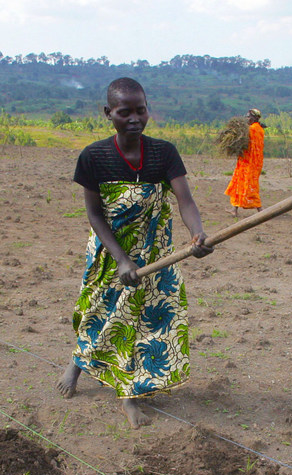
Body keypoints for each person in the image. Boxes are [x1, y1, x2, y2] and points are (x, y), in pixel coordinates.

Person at [55, 78, 214, 428]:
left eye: (140, 110)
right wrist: (122, 259)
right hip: (110, 253)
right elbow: (95, 214)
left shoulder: (163, 153)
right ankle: (77, 366)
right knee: (102, 313)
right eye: (124, 112)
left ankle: (131, 393)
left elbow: (185, 201)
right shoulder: (94, 156)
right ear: (108, 112)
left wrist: (197, 234)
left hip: (156, 254)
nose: (134, 118)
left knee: (150, 319)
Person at [225, 108, 265, 217]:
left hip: (251, 163)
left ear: (255, 118)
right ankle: (234, 209)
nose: (247, 119)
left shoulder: (254, 129)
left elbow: (243, 138)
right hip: (246, 162)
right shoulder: (257, 129)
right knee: (238, 183)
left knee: (250, 185)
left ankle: (260, 210)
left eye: (249, 117)